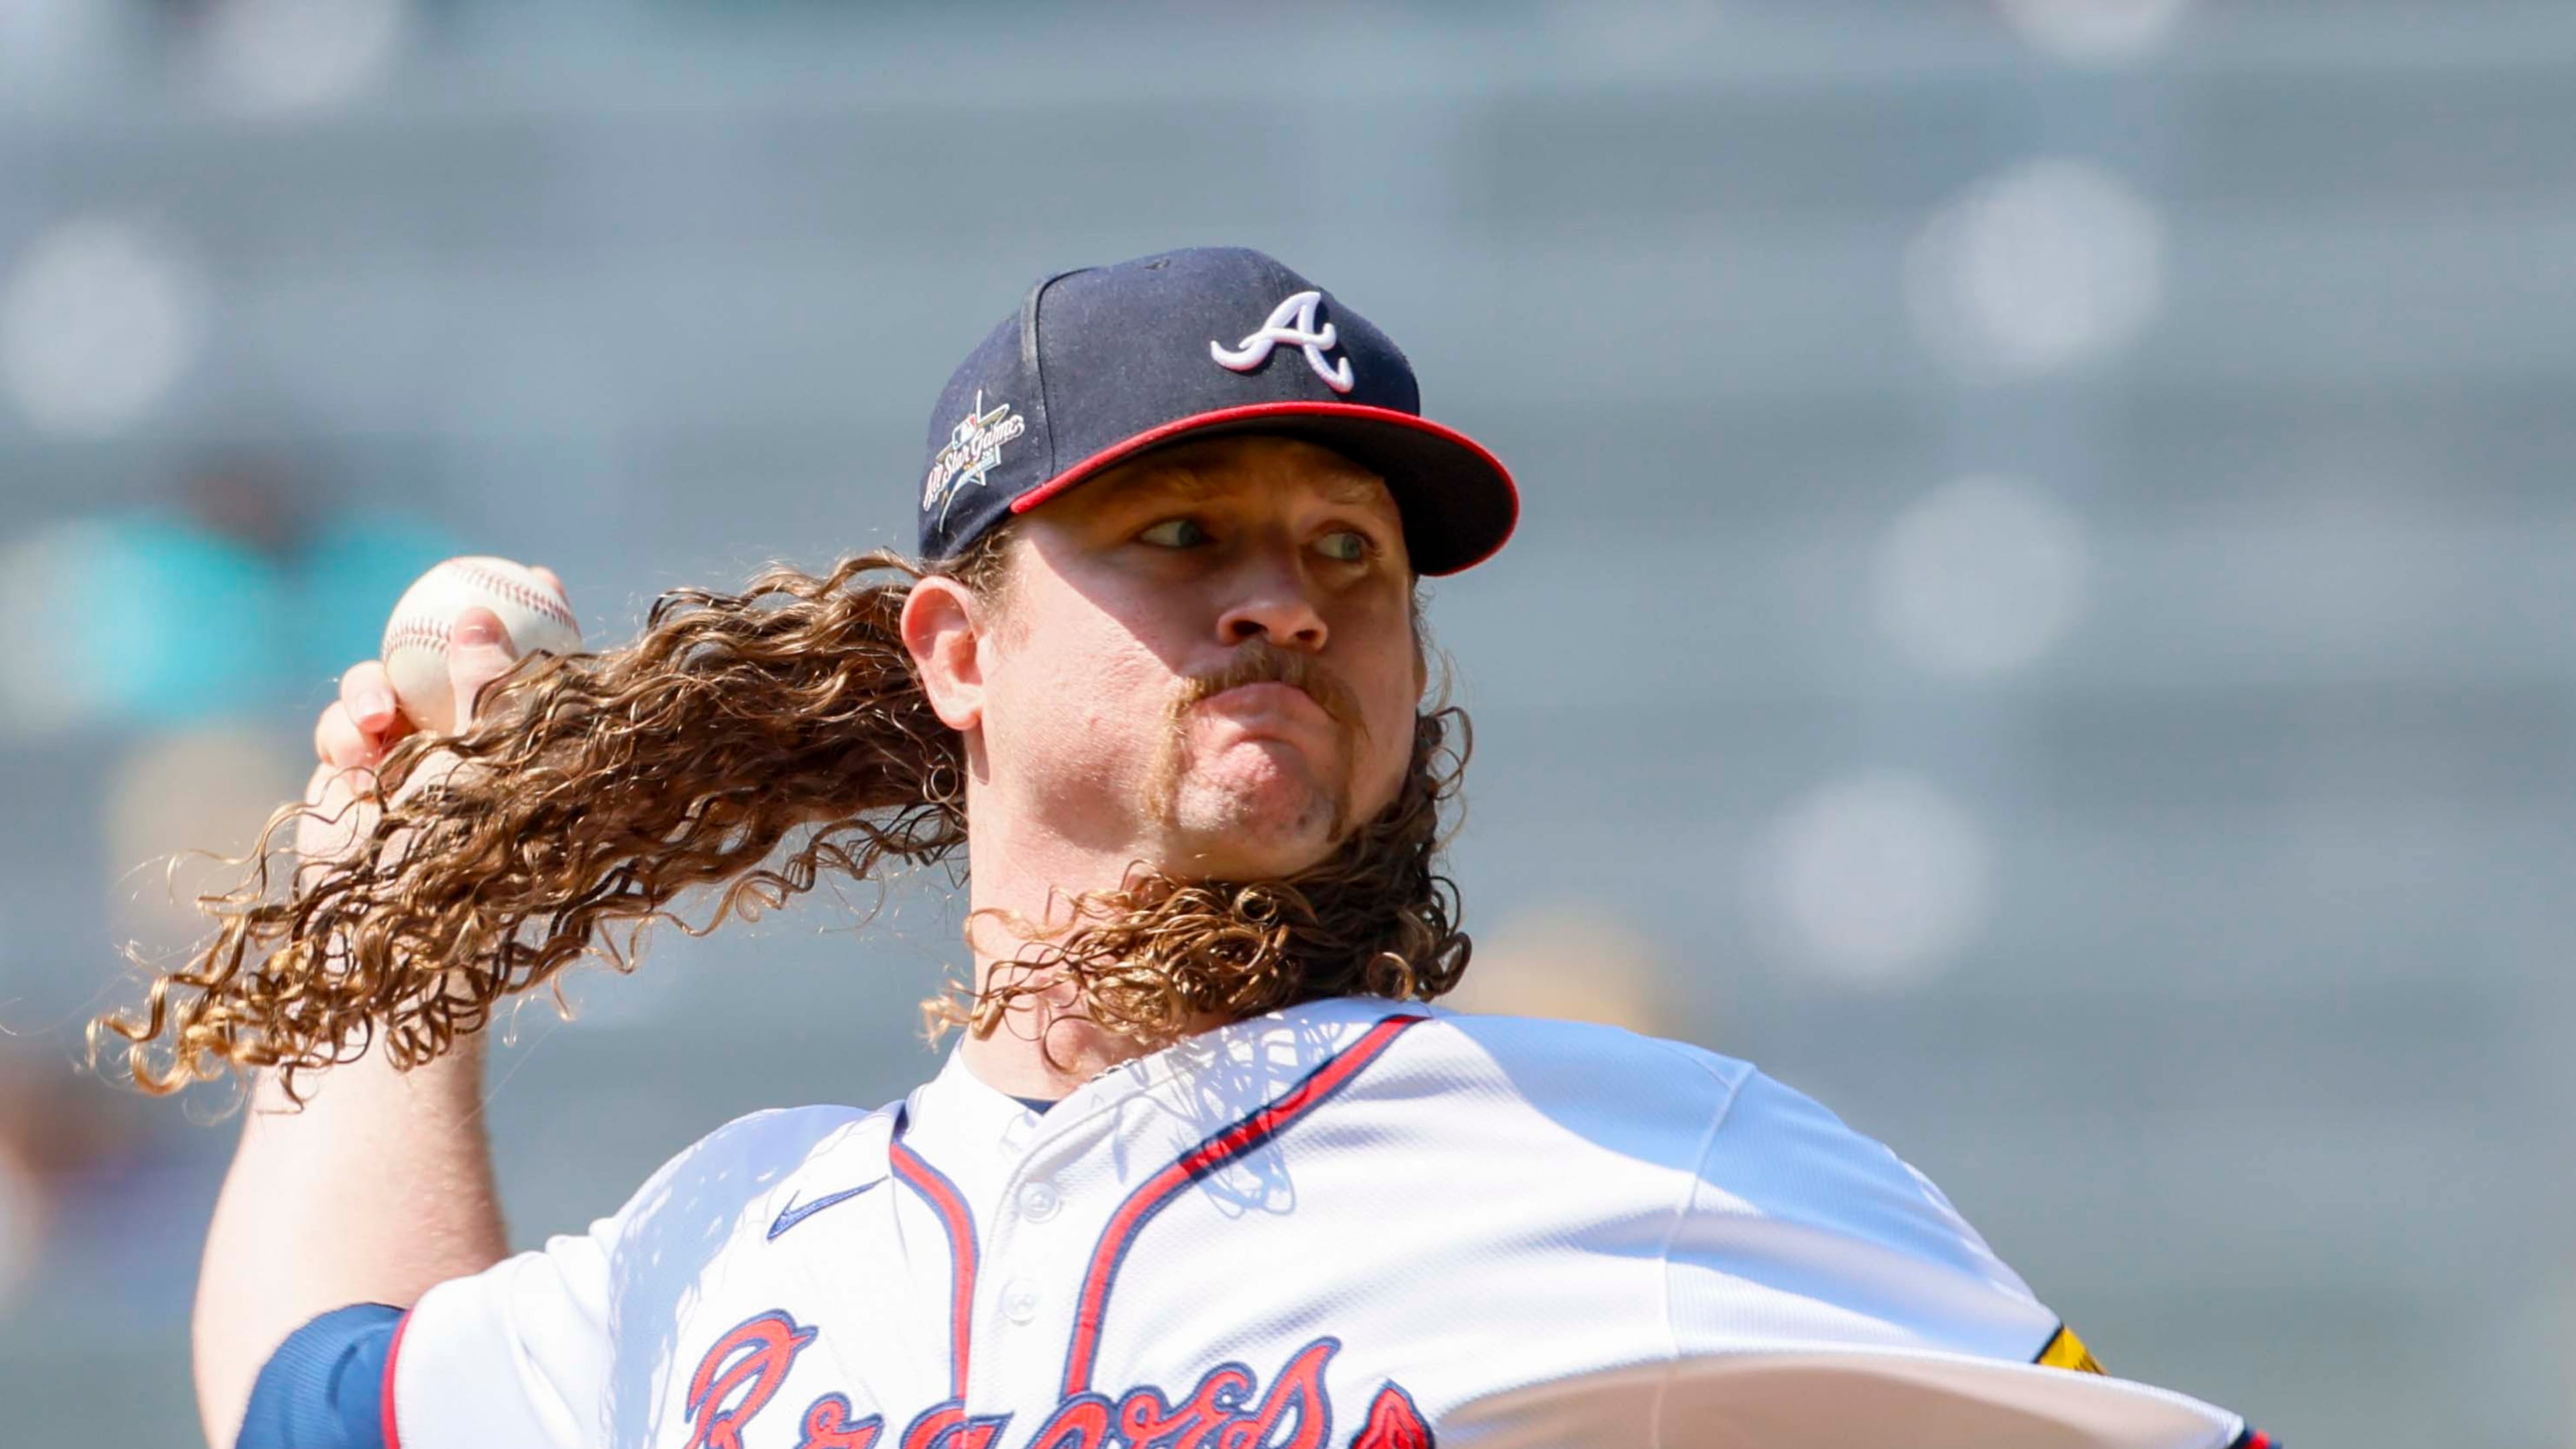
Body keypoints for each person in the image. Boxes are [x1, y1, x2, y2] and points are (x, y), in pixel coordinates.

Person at [99, 248, 2272, 1449]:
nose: (1285, 599)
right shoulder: (730, 1248)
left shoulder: (1641, 1162)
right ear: (957, 651)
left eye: (1350, 552)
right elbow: (312, 1403)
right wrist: (402, 872)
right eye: (1180, 532)